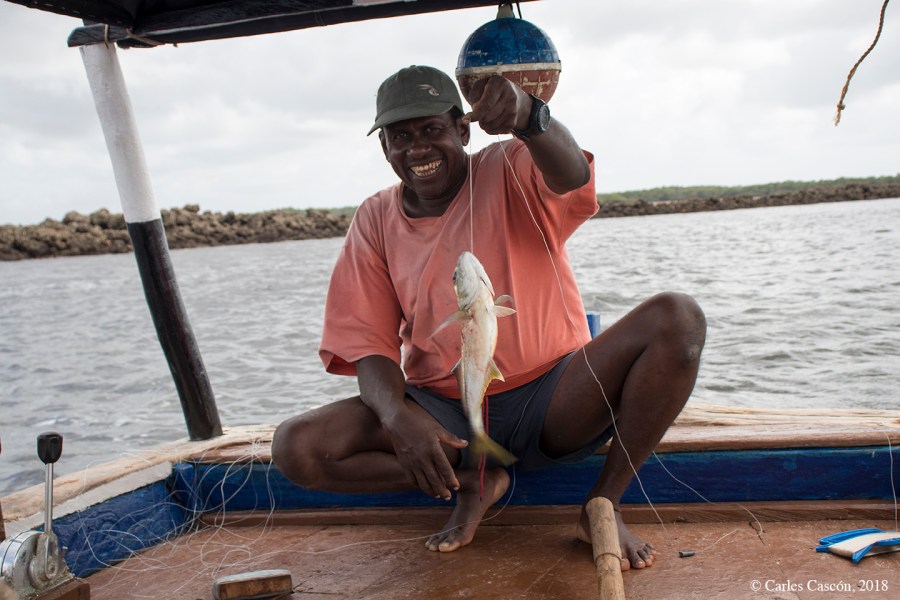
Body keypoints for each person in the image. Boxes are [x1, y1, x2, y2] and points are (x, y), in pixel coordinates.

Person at [272, 65, 706, 571]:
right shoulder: (374, 218)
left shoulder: (509, 161)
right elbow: (368, 344)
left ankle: (602, 502)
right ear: (384, 148)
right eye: (400, 137)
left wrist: (528, 116)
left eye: (432, 130)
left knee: (679, 316)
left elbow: (571, 175)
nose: (418, 149)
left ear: (462, 129)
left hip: (554, 397)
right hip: (447, 411)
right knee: (297, 448)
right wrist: (397, 418)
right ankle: (475, 480)